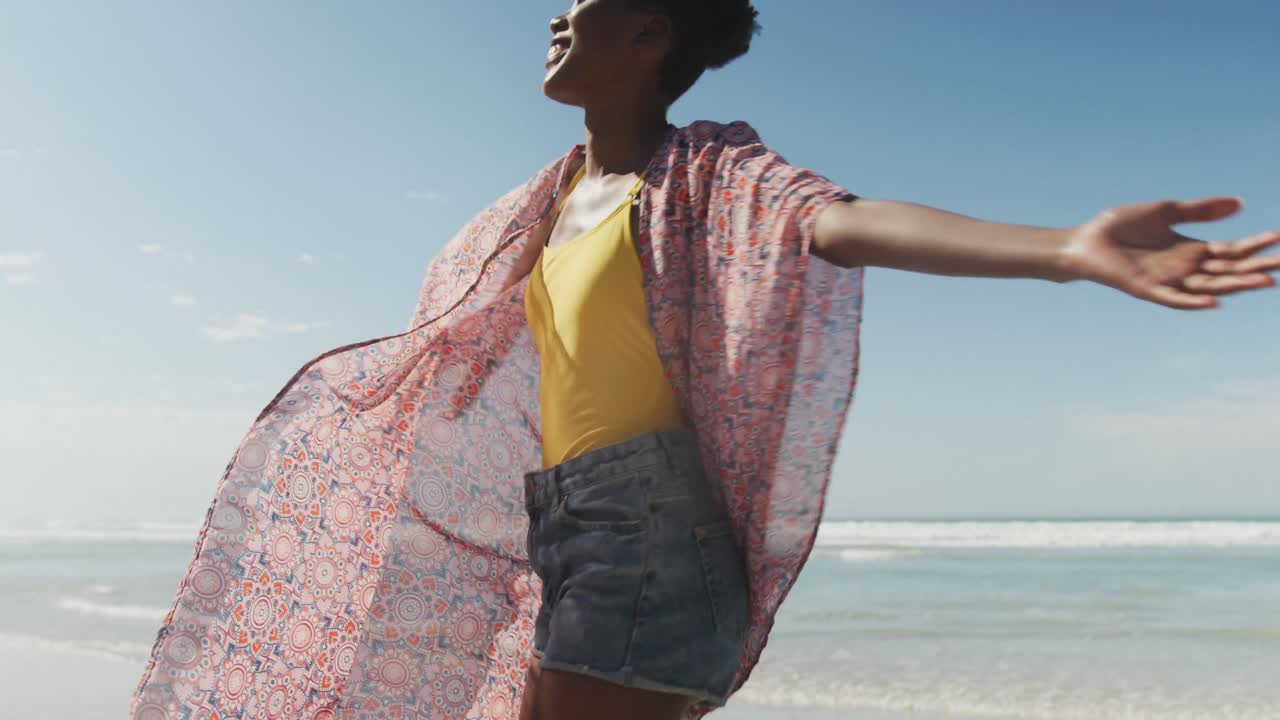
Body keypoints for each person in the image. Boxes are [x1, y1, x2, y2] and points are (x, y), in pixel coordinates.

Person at [130, 2, 1280, 719]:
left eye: (582, 0)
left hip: (644, 532)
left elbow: (837, 220)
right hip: (567, 528)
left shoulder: (704, 176)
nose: (554, 15)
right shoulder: (539, 208)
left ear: (649, 32)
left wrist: (1063, 251)